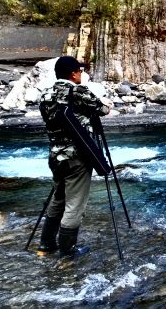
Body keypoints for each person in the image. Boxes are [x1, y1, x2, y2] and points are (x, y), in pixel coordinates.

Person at [37, 56, 112, 256]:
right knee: (75, 204)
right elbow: (103, 109)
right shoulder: (77, 90)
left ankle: (46, 244)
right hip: (77, 156)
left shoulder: (46, 94)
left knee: (58, 198)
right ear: (73, 73)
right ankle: (68, 249)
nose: (81, 73)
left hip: (55, 155)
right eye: (80, 70)